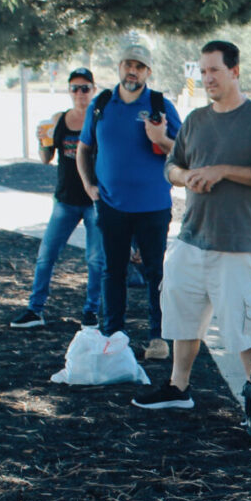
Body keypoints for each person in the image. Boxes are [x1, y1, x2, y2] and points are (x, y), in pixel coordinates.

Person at [132, 40, 251, 410]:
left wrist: (224, 171)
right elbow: (170, 166)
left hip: (236, 245)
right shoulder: (196, 121)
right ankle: (178, 388)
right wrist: (186, 176)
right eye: (202, 72)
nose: (207, 78)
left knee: (245, 332)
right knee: (182, 320)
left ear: (235, 71)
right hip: (190, 240)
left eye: (214, 70)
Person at [76, 44, 181, 362]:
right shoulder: (101, 104)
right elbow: (83, 148)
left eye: (139, 66)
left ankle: (157, 336)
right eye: (127, 64)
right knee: (113, 271)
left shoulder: (160, 105)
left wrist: (160, 138)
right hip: (111, 205)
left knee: (155, 274)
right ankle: (114, 333)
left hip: (153, 206)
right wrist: (89, 185)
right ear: (119, 67)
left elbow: (185, 152)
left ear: (148, 72)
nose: (132, 71)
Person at [10, 68, 105, 329]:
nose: (79, 93)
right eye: (74, 88)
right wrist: (42, 141)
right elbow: (45, 158)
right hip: (65, 200)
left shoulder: (100, 120)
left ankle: (91, 312)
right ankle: (35, 309)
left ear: (93, 90)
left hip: (94, 200)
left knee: (96, 259)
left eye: (85, 88)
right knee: (46, 255)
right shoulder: (59, 119)